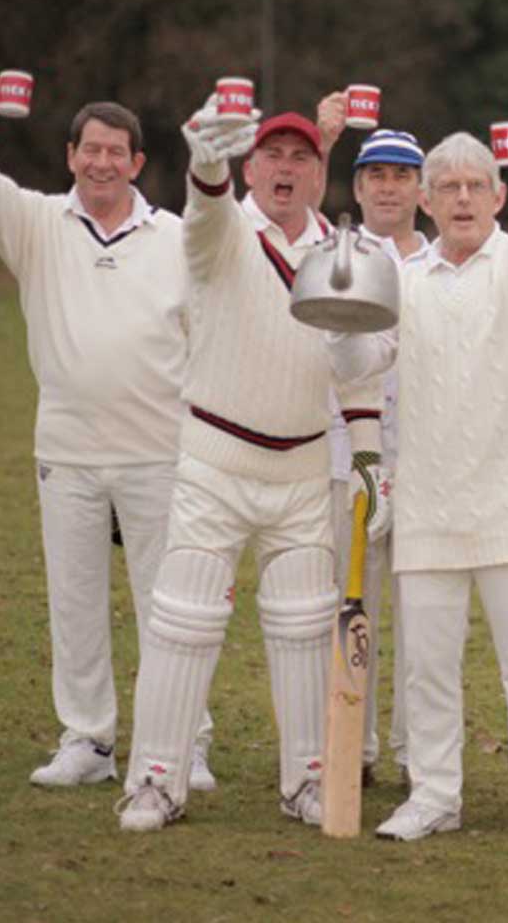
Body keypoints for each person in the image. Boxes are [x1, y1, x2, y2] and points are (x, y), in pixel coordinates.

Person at [114, 96, 386, 831]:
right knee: (184, 618)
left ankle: (306, 779)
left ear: (321, 170)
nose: (285, 170)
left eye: (301, 157)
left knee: (303, 626)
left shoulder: (345, 253)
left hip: (301, 466)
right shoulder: (225, 229)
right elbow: (202, 224)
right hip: (214, 457)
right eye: (272, 156)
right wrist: (206, 160)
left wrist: (367, 459)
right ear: (250, 165)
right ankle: (156, 779)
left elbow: (362, 373)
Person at [0, 80, 217, 791]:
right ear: (71, 157)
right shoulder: (36, 225)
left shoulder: (174, 238)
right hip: (66, 451)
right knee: (74, 600)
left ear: (137, 163)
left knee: (171, 603)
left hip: (159, 449)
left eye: (116, 152)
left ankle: (184, 740)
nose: (102, 162)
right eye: (90, 149)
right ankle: (89, 740)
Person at [330, 131, 508, 845]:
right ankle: (435, 795)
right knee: (428, 670)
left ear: (499, 197)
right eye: (449, 188)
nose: (464, 198)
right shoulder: (403, 279)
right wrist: (337, 313)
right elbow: (358, 362)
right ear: (428, 202)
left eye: (477, 186)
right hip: (432, 501)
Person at [323, 128, 433, 786]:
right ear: (359, 187)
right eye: (377, 176)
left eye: (402, 175)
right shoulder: (336, 257)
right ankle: (350, 748)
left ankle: (415, 755)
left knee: (423, 618)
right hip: (347, 460)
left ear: (420, 189)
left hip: (424, 465)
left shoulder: (445, 258)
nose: (389, 187)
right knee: (348, 608)